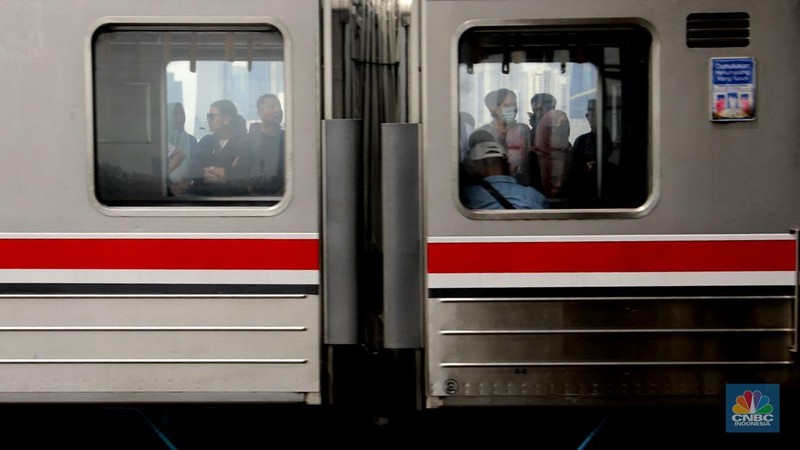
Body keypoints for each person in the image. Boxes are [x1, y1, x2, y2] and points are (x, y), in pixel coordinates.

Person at [462, 135, 548, 210]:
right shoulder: (533, 195)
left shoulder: (468, 195)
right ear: (506, 164)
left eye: (471, 166)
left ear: (480, 165)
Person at [188, 99, 252, 196]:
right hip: (204, 198)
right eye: (208, 116)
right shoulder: (206, 141)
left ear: (226, 119)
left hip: (233, 200)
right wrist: (222, 172)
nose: (208, 120)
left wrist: (208, 169)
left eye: (211, 117)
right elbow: (193, 169)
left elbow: (241, 174)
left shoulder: (244, 143)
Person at [477, 89, 532, 185]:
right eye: (507, 105)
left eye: (515, 105)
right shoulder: (483, 133)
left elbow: (529, 160)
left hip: (521, 185)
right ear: (493, 108)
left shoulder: (523, 130)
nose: (513, 108)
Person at [569, 99, 616, 206]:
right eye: (590, 111)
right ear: (587, 116)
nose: (592, 115)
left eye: (596, 111)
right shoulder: (581, 141)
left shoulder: (613, 138)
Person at [248, 94, 285, 195]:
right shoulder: (249, 141)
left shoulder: (288, 140)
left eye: (279, 106)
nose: (278, 110)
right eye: (272, 106)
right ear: (260, 112)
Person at [533, 109, 572, 200]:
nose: (563, 128)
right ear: (546, 129)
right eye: (559, 125)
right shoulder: (534, 157)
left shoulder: (570, 153)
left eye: (565, 125)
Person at [166, 103, 198, 195]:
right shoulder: (161, 141)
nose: (180, 117)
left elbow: (196, 167)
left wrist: (187, 182)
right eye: (175, 114)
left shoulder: (191, 140)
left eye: (182, 114)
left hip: (186, 190)